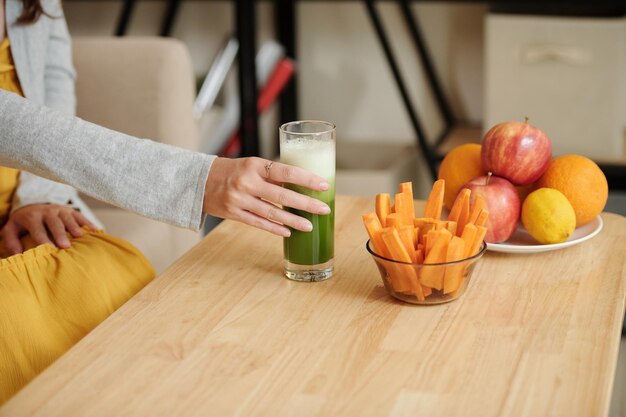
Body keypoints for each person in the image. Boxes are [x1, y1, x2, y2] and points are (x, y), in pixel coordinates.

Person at [0, 0, 329, 404]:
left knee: (118, 274)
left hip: (22, 202)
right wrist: (198, 179)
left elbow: (51, 85)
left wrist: (39, 194)